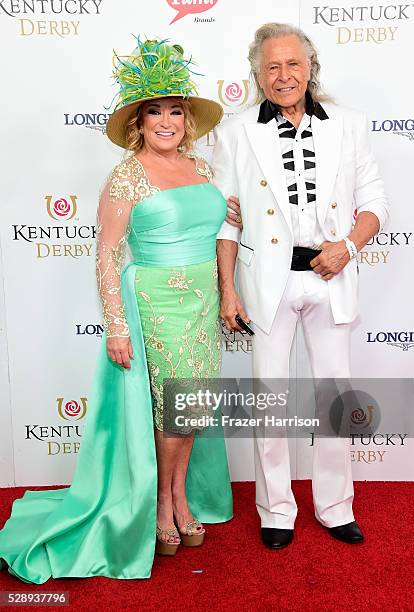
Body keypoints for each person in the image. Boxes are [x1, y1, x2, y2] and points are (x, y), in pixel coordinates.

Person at [0, 37, 236, 583]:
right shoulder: (126, 176)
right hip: (156, 302)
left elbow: (220, 222)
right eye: (155, 112)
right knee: (171, 413)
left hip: (202, 302)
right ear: (139, 122)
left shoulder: (201, 168)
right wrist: (116, 325)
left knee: (192, 409)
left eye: (176, 110)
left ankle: (179, 495)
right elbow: (107, 253)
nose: (168, 121)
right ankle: (160, 507)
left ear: (187, 119)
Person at [214, 23, 389, 549]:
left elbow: (376, 203)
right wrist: (228, 289)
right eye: (272, 67)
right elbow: (227, 220)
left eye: (292, 64)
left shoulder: (350, 124)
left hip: (331, 276)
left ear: (310, 67)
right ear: (258, 74)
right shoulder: (234, 130)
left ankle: (335, 507)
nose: (283, 76)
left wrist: (349, 247)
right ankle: (276, 510)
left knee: (333, 394)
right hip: (268, 283)